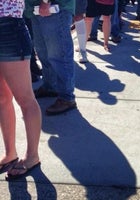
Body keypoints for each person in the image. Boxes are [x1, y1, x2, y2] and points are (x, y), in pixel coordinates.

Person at [0, 0, 41, 180]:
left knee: (25, 99)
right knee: (1, 98)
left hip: (9, 27)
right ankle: (10, 154)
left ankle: (32, 156)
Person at [24, 0, 77, 116]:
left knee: (59, 55)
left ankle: (67, 97)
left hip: (53, 8)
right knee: (44, 53)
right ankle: (50, 86)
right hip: (37, 9)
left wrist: (45, 1)